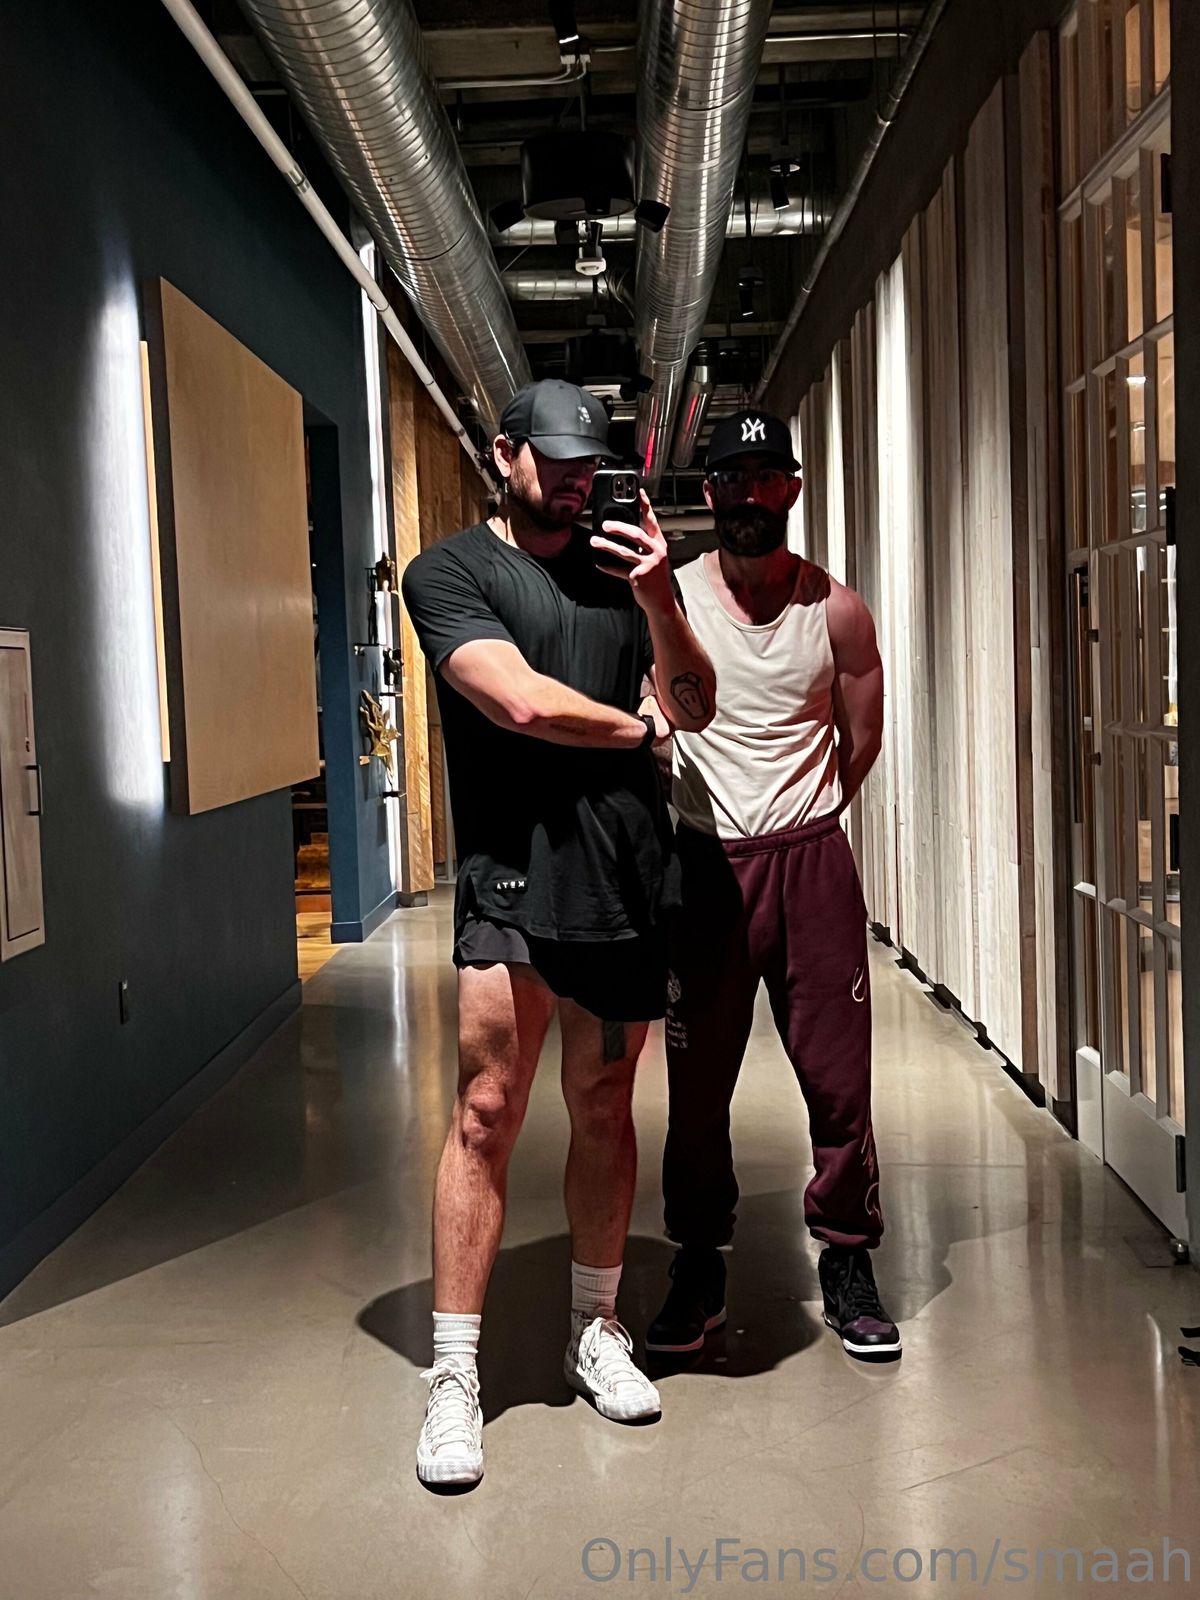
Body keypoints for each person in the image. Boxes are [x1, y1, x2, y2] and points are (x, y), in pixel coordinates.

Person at [401, 379, 716, 1486]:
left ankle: (596, 1328)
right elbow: (521, 702)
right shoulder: (448, 573)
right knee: (486, 1112)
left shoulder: (624, 570)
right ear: (505, 455)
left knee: (604, 1106)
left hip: (623, 876)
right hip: (511, 873)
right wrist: (636, 727)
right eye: (558, 461)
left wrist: (662, 597)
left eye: (591, 464)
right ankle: (453, 1375)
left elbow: (698, 703)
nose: (579, 482)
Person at [646, 408, 901, 1363]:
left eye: (767, 478)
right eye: (731, 480)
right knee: (696, 1089)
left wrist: (806, 812)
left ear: (791, 487)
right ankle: (699, 1261)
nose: (749, 496)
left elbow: (860, 739)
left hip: (810, 862)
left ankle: (847, 1257)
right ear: (709, 490)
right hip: (706, 867)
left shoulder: (837, 610)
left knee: (839, 1083)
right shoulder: (670, 599)